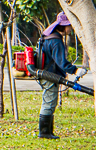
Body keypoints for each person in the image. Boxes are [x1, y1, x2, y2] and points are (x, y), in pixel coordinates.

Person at [36, 12, 85, 140]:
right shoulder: (56, 41)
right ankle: (44, 133)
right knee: (49, 102)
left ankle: (48, 132)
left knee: (50, 101)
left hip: (47, 74)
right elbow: (61, 62)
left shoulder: (48, 37)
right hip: (49, 75)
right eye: (69, 25)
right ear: (63, 26)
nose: (71, 28)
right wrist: (75, 70)